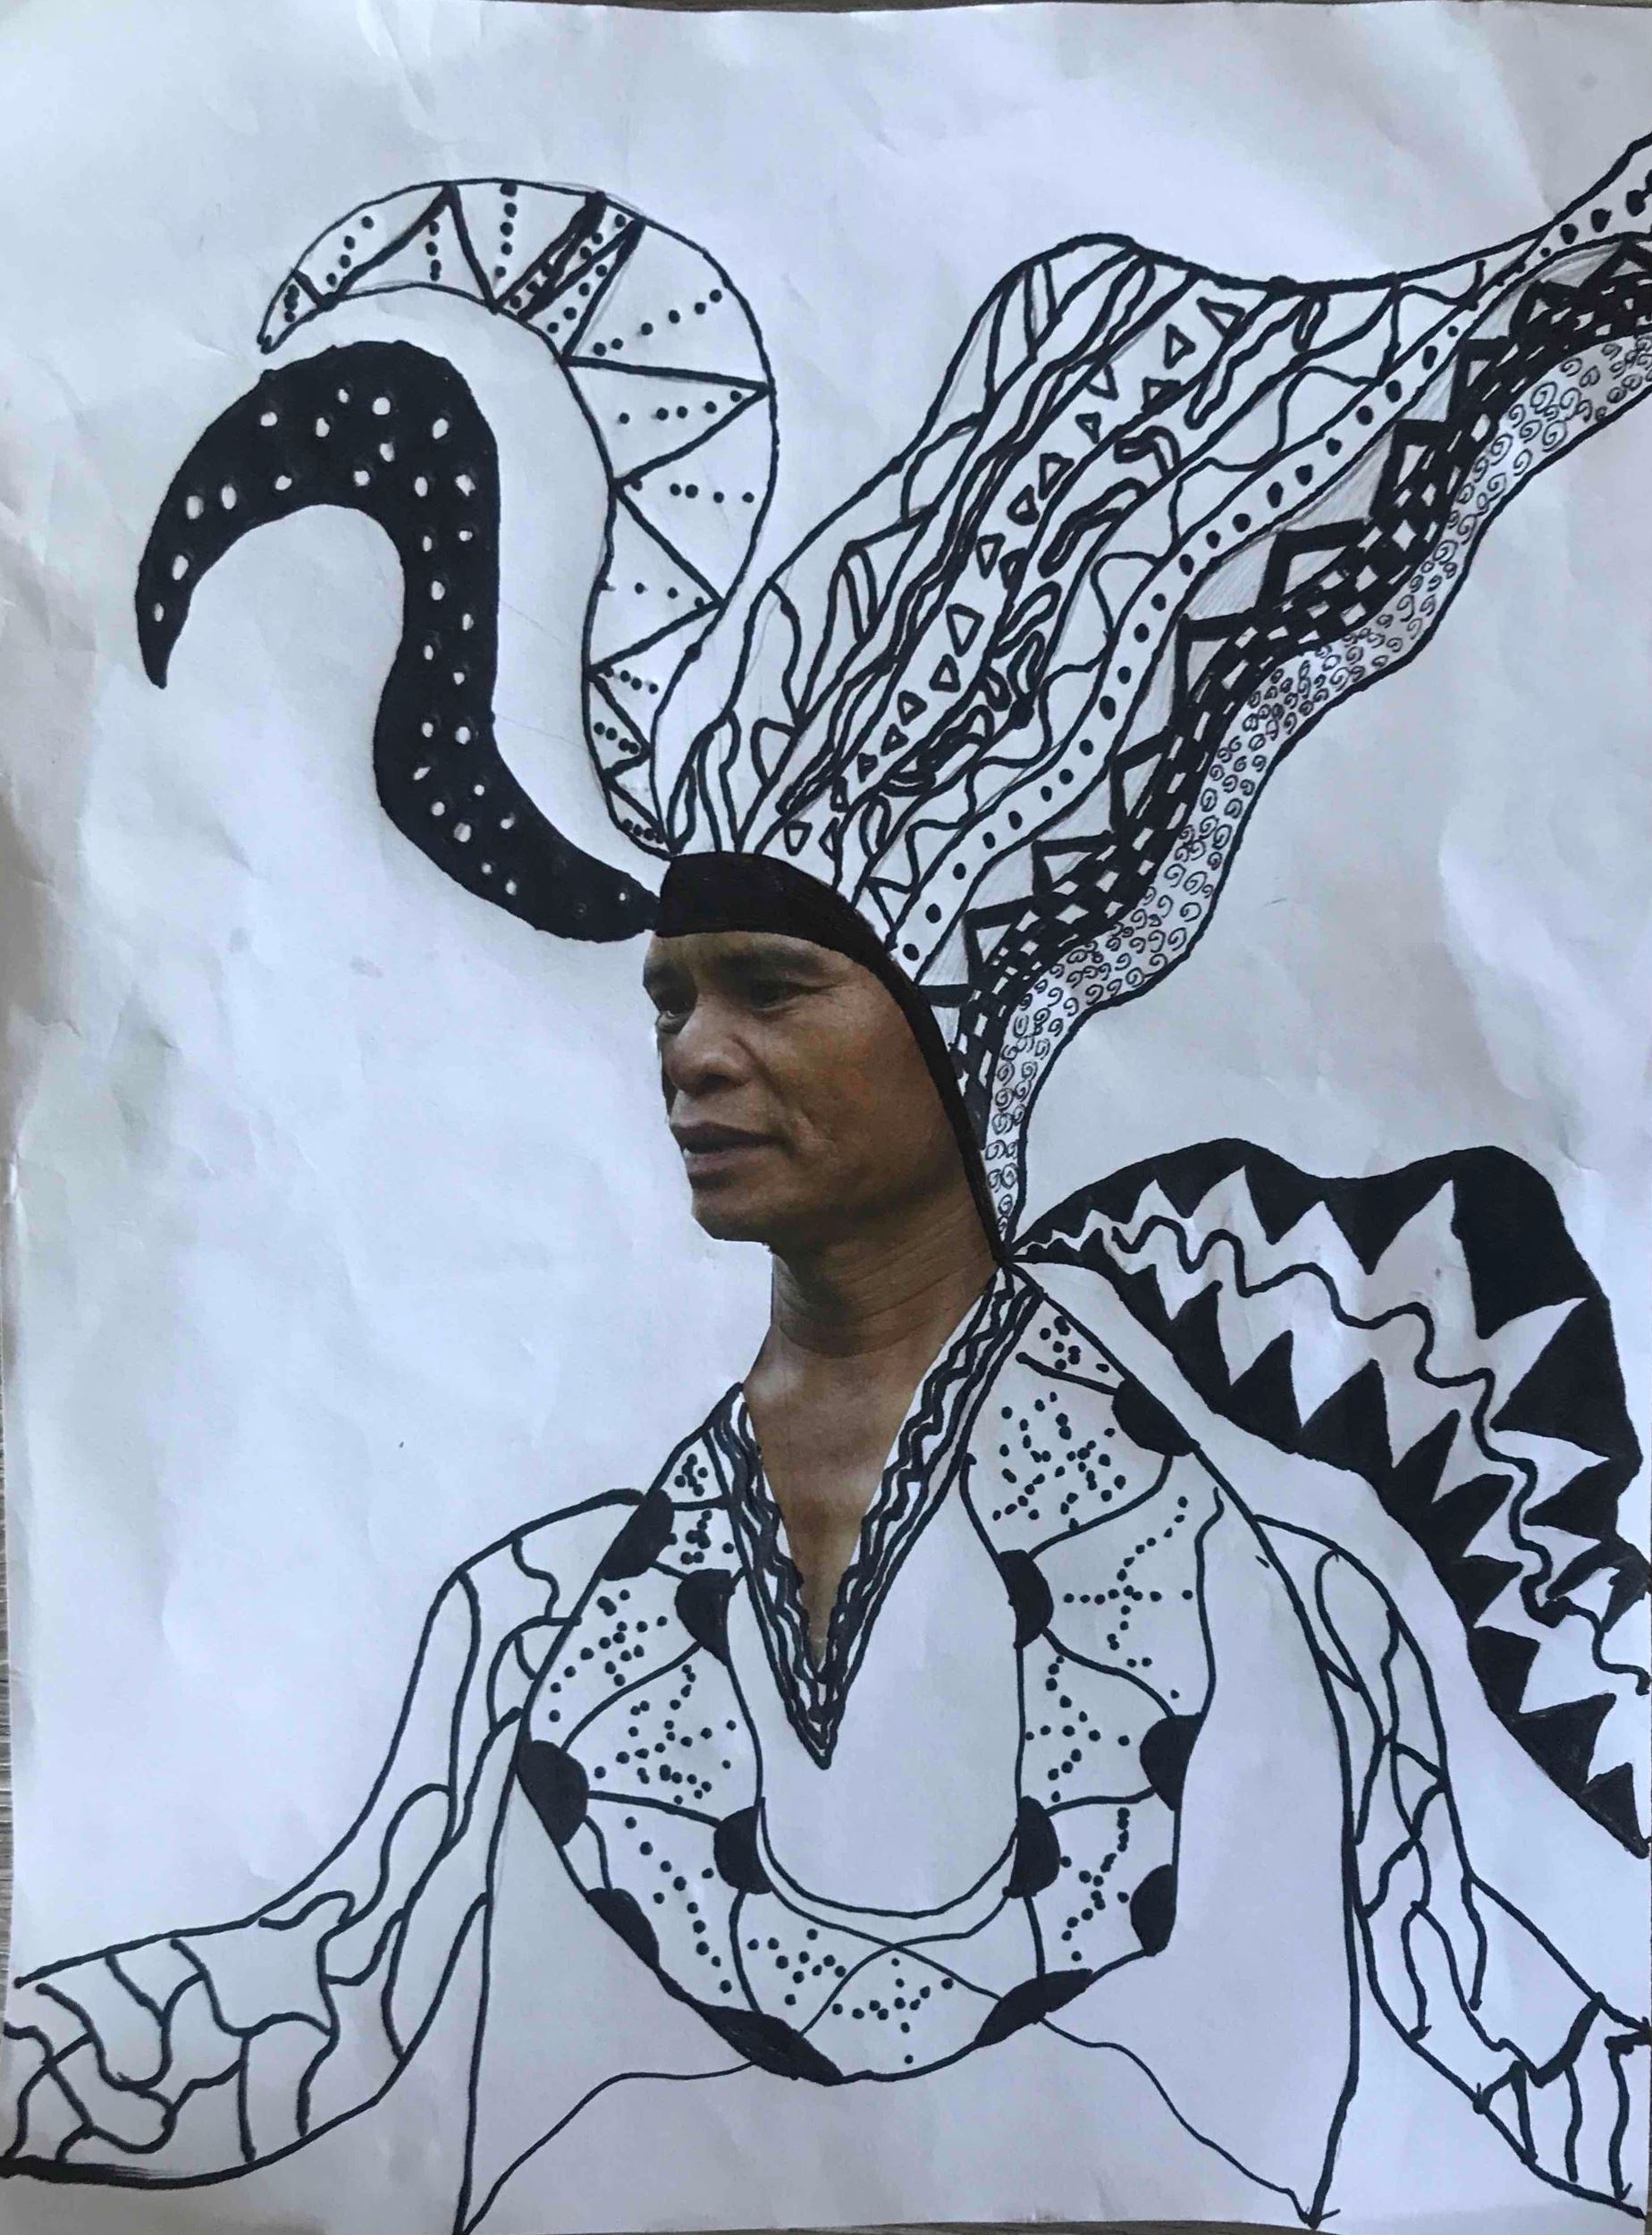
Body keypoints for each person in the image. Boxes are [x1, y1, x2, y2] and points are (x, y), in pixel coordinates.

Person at [6, 150, 1651, 2234]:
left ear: (960, 1030)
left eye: (770, 989)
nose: (691, 1053)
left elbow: (1526, 2039)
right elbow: (294, 2018)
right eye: (670, 997)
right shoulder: (537, 1622)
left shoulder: (1285, 1605)